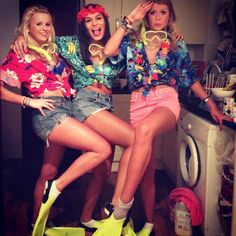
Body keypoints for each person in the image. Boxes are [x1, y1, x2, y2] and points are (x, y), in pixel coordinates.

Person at [11, 3, 184, 235]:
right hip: (84, 104)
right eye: (89, 20)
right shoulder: (71, 44)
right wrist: (21, 39)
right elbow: (41, 41)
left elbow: (147, 48)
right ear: (83, 25)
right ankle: (115, 207)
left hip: (106, 107)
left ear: (105, 21)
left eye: (99, 19)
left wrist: (173, 32)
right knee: (135, 140)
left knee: (101, 168)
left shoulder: (120, 46)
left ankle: (85, 217)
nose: (95, 24)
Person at [91, 1, 233, 235]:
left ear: (170, 16)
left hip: (166, 101)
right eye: (153, 12)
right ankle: (148, 223)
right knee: (145, 172)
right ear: (146, 16)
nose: (157, 17)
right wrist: (130, 19)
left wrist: (210, 103)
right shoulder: (132, 40)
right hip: (138, 104)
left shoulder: (176, 44)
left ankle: (120, 209)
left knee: (144, 131)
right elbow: (107, 51)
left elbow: (189, 77)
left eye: (163, 12)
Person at [0, 5, 114, 236]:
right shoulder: (20, 53)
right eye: (38, 23)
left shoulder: (55, 52)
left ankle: (36, 224)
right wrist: (28, 101)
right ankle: (57, 189)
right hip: (49, 114)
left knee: (48, 171)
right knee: (102, 149)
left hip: (68, 110)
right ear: (28, 28)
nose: (44, 27)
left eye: (47, 23)